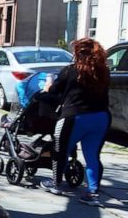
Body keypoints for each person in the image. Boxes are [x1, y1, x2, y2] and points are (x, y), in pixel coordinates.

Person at [39, 38, 111, 206]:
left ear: (78, 53)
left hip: (74, 118)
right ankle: (93, 193)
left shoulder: (70, 71)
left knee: (60, 150)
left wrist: (48, 85)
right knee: (93, 156)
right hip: (101, 117)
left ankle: (56, 183)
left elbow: (54, 91)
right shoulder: (104, 73)